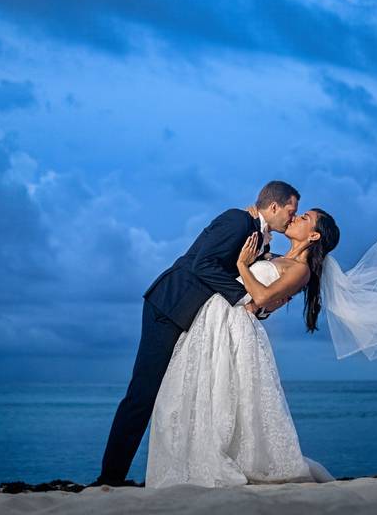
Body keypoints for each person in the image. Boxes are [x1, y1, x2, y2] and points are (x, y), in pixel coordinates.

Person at [94, 180, 300, 487]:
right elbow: (203, 264)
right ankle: (109, 478)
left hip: (195, 319)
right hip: (169, 307)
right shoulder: (237, 220)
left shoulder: (261, 240)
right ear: (273, 207)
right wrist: (247, 300)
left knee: (175, 396)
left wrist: (263, 300)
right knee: (143, 394)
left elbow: (247, 276)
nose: (292, 218)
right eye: (291, 211)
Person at [146, 208, 341, 488]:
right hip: (213, 318)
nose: (296, 218)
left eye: (304, 218)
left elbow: (261, 297)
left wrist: (241, 265)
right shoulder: (272, 256)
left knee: (225, 393)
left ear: (314, 235)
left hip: (236, 326)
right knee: (187, 392)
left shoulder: (301, 271)